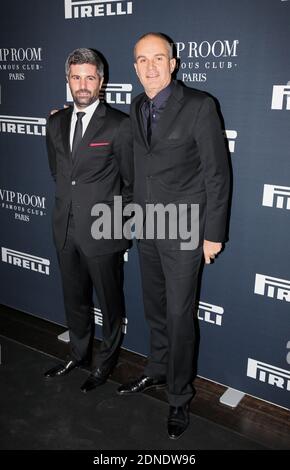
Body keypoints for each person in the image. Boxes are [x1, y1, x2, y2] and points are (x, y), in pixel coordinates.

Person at [117, 33, 230, 439]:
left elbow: (217, 174)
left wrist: (213, 234)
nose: (150, 67)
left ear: (174, 62)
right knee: (155, 310)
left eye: (158, 58)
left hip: (185, 231)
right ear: (134, 67)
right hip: (148, 226)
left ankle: (180, 398)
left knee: (181, 318)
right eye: (142, 60)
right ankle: (157, 369)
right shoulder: (136, 105)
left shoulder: (200, 106)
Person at [44, 48, 133, 393]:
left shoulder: (119, 125)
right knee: (74, 298)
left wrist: (114, 225)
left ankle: (105, 363)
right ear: (67, 80)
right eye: (76, 77)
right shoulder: (54, 122)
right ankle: (79, 354)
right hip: (64, 228)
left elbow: (131, 183)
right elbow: (58, 172)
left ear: (102, 81)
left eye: (90, 77)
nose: (82, 85)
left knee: (110, 304)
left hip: (103, 231)